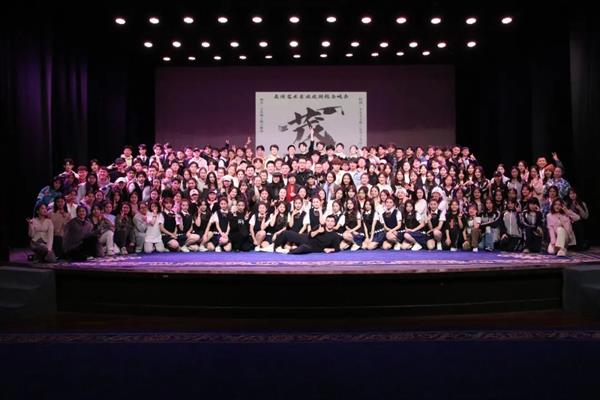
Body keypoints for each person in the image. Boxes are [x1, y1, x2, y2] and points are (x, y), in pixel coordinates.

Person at [273, 215, 342, 254]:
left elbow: (337, 248)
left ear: (334, 223)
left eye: (332, 221)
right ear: (325, 222)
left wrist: (330, 249)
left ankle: (287, 251)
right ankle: (275, 246)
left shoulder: (335, 235)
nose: (330, 223)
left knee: (303, 248)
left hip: (312, 247)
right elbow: (310, 235)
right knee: (286, 233)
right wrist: (318, 231)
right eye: (328, 221)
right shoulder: (320, 226)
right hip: (305, 238)